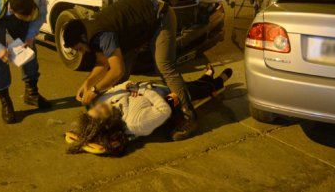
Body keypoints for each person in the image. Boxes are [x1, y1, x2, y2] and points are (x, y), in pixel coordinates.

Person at [61, 0, 197, 141]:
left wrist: (95, 90)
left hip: (160, 16)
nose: (82, 52)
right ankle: (122, 113)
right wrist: (87, 84)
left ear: (82, 38)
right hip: (137, 28)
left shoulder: (100, 34)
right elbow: (103, 63)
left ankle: (189, 117)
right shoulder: (89, 32)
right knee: (119, 80)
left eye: (80, 48)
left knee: (164, 67)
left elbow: (117, 70)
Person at [67, 66, 233, 155]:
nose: (101, 106)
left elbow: (118, 87)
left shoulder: (102, 105)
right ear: (108, 123)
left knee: (188, 85)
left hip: (152, 86)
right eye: (100, 111)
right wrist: (142, 90)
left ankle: (205, 77)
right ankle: (217, 81)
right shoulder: (135, 123)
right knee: (193, 90)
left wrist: (128, 85)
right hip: (165, 96)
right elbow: (163, 110)